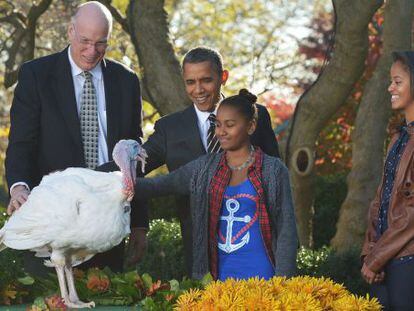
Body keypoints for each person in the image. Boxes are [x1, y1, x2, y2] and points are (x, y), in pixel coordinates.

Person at [5, 1, 147, 274]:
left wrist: (139, 223)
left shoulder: (126, 81)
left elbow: (133, 156)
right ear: (70, 31)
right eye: (84, 40)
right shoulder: (36, 75)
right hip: (53, 227)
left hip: (107, 225)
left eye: (100, 43)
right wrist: (19, 187)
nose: (91, 51)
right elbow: (22, 143)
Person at [141, 46, 280, 275]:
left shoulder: (255, 115)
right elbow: (134, 166)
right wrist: (83, 176)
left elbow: (276, 180)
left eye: (206, 80)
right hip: (200, 251)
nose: (198, 90)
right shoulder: (170, 129)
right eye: (190, 82)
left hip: (254, 243)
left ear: (223, 77)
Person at [361, 51, 414, 310]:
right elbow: (380, 201)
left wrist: (376, 258)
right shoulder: (399, 137)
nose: (390, 87)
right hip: (385, 261)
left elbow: (411, 214)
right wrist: (370, 253)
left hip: (407, 261)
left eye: (398, 81)